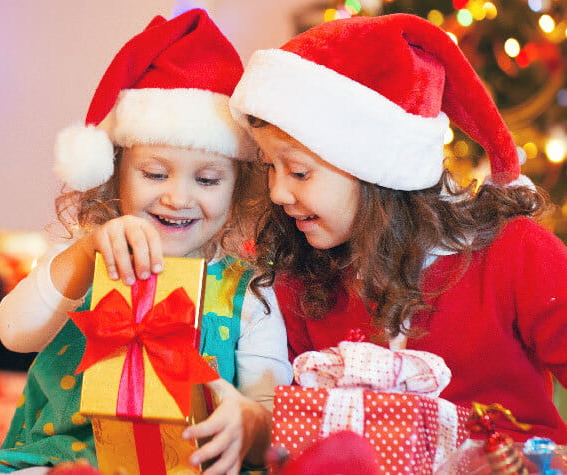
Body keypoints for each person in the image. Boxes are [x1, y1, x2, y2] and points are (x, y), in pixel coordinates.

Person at [0, 9, 292, 475]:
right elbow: (15, 334)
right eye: (155, 173)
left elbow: (270, 406)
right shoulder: (85, 253)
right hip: (61, 461)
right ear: (115, 170)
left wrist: (250, 423)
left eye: (208, 179)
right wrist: (87, 250)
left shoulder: (249, 290)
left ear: (240, 187)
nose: (178, 196)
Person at [229, 13, 567, 443]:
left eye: (298, 172)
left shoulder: (516, 253)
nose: (277, 192)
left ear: (377, 169)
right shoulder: (300, 276)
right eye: (268, 168)